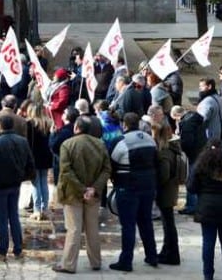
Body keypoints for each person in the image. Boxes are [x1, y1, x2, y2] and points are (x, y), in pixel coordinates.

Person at [52, 116, 111, 274]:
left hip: (72, 193)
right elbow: (106, 169)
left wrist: (82, 189)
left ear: (76, 128)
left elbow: (66, 170)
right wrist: (93, 189)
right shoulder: (100, 144)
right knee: (92, 228)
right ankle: (96, 262)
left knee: (74, 229)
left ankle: (69, 264)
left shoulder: (67, 144)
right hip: (94, 194)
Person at [109, 113, 159, 272]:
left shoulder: (122, 141)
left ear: (124, 124)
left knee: (128, 225)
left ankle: (126, 261)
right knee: (146, 222)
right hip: (148, 185)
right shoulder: (149, 139)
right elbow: (155, 160)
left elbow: (112, 162)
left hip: (128, 186)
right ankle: (152, 256)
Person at [187, 142, 222, 280]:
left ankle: (208, 275)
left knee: (208, 243)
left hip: (207, 208)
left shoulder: (200, 165)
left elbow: (191, 187)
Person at [0, 116, 34, 260]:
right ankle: (17, 248)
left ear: (0, 126)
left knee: (2, 218)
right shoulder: (22, 141)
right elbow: (30, 162)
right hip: (15, 183)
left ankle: (2, 249)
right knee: (14, 216)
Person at [153, 121, 181, 265]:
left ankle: (171, 253)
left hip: (165, 191)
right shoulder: (175, 148)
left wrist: (156, 184)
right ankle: (168, 250)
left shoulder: (164, 153)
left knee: (168, 224)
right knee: (168, 223)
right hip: (172, 189)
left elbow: (164, 174)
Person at [172, 106, 205, 215]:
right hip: (201, 151)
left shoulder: (187, 124)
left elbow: (187, 143)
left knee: (191, 180)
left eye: (175, 119)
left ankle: (192, 206)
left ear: (177, 115)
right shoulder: (195, 118)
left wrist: (180, 146)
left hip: (193, 155)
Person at [26, 103, 53, 220]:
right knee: (44, 182)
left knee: (35, 184)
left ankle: (37, 209)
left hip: (34, 157)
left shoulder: (30, 124)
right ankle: (45, 208)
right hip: (46, 156)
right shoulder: (49, 123)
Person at [198, 77, 222, 141]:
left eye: (202, 86)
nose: (200, 88)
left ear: (209, 86)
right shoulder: (219, 98)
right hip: (218, 132)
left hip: (209, 135)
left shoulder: (207, 101)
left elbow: (201, 119)